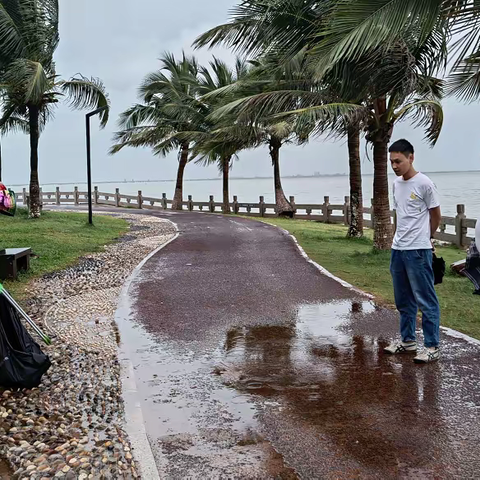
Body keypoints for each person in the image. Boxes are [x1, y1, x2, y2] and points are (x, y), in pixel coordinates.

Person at [384, 139, 442, 363]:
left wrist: (428, 236)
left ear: (411, 157)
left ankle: (431, 346)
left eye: (398, 161)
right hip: (398, 249)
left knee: (426, 299)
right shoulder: (396, 184)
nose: (395, 166)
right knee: (403, 299)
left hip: (418, 250)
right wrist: (396, 239)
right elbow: (400, 215)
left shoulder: (424, 183)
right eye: (391, 162)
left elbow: (435, 215)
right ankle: (408, 341)